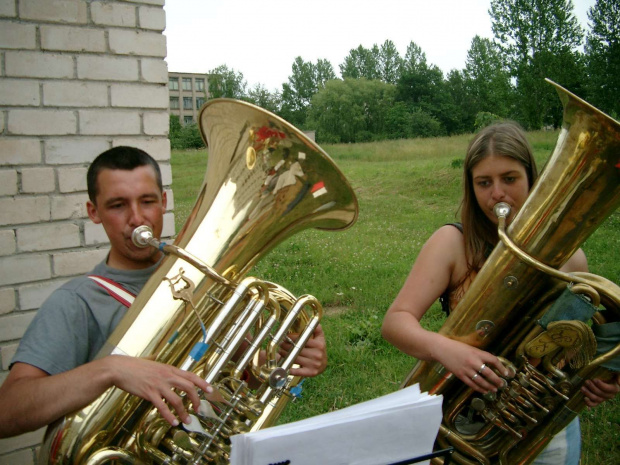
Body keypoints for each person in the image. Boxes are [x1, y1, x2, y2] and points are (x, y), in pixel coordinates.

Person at [0, 146, 327, 439]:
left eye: (147, 201)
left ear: (164, 202)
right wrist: (111, 369)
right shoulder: (77, 303)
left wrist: (282, 358)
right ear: (93, 212)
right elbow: (8, 412)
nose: (137, 219)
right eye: (117, 205)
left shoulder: (204, 283)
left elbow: (226, 390)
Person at [381, 121, 619, 464]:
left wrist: (597, 380)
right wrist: (446, 350)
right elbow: (395, 322)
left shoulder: (570, 259)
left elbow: (579, 343)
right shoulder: (452, 244)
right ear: (471, 186)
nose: (497, 194)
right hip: (461, 419)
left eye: (510, 179)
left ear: (532, 179)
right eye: (484, 183)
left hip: (538, 422)